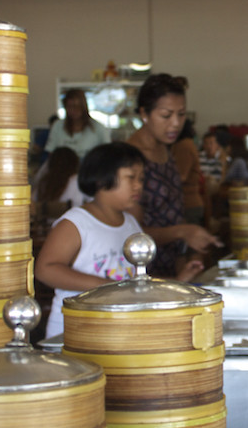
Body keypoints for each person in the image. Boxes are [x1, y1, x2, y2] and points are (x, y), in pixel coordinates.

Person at [34, 143, 204, 339]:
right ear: (101, 179)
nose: (138, 185)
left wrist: (178, 282)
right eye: (130, 177)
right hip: (75, 331)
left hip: (117, 331)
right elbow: (45, 269)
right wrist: (109, 288)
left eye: (141, 178)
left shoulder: (130, 224)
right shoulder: (76, 223)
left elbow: (135, 282)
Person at [127, 74, 222, 277]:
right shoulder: (129, 158)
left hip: (172, 270)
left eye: (181, 114)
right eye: (166, 115)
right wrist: (183, 232)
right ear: (144, 113)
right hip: (141, 276)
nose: (176, 123)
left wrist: (187, 256)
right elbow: (132, 233)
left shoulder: (165, 150)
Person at [44, 89, 111, 159]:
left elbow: (107, 154)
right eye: (69, 107)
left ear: (83, 106)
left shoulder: (98, 128)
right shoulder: (58, 126)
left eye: (76, 106)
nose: (73, 110)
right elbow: (51, 153)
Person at [172, 119, 205, 225]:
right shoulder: (185, 144)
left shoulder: (184, 145)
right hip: (187, 203)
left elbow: (182, 176)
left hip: (188, 203)